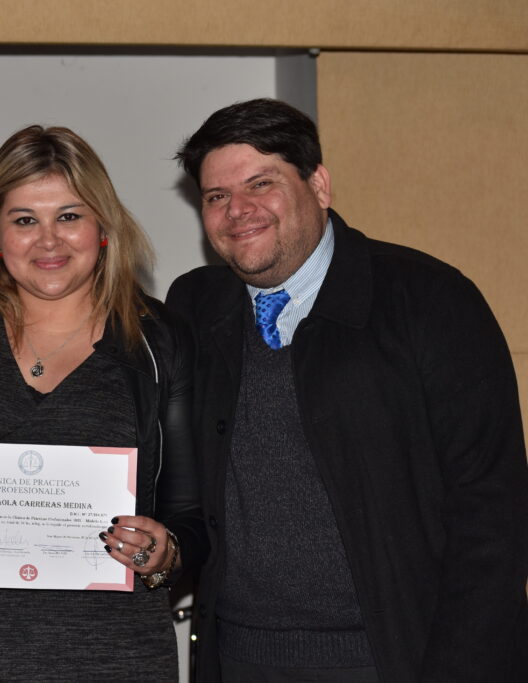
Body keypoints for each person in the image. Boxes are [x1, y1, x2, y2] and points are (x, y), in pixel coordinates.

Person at [166, 98, 527, 682]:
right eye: (216, 196)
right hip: (238, 659)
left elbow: (492, 516)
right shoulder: (194, 307)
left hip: (396, 661)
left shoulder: (431, 301)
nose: (238, 210)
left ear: (319, 185)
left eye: (262, 183)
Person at [0, 125, 208, 681]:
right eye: (25, 220)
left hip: (120, 663)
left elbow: (190, 515)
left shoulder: (158, 340)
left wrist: (165, 553)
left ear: (103, 227)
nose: (48, 241)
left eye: (69, 216)